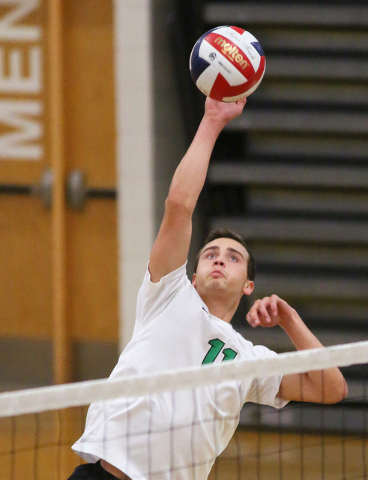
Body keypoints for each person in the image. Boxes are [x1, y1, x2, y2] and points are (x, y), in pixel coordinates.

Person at [69, 97, 347, 480]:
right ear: (194, 275)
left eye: (233, 257)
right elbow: (179, 205)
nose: (219, 259)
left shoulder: (249, 360)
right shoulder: (167, 297)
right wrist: (213, 120)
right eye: (210, 254)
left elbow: (331, 388)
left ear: (248, 285)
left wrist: (291, 320)